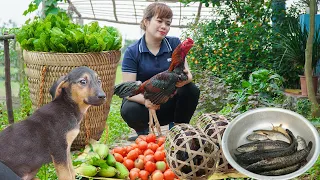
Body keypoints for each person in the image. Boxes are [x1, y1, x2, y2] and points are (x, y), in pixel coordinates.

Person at [120, 2, 200, 140]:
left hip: (167, 100)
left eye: (168, 23)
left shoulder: (174, 43)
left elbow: (189, 75)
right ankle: (144, 133)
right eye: (159, 21)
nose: (164, 26)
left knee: (191, 89)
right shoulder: (132, 51)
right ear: (146, 21)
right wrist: (146, 101)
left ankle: (178, 130)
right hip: (144, 104)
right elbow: (128, 91)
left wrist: (183, 81)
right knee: (129, 109)